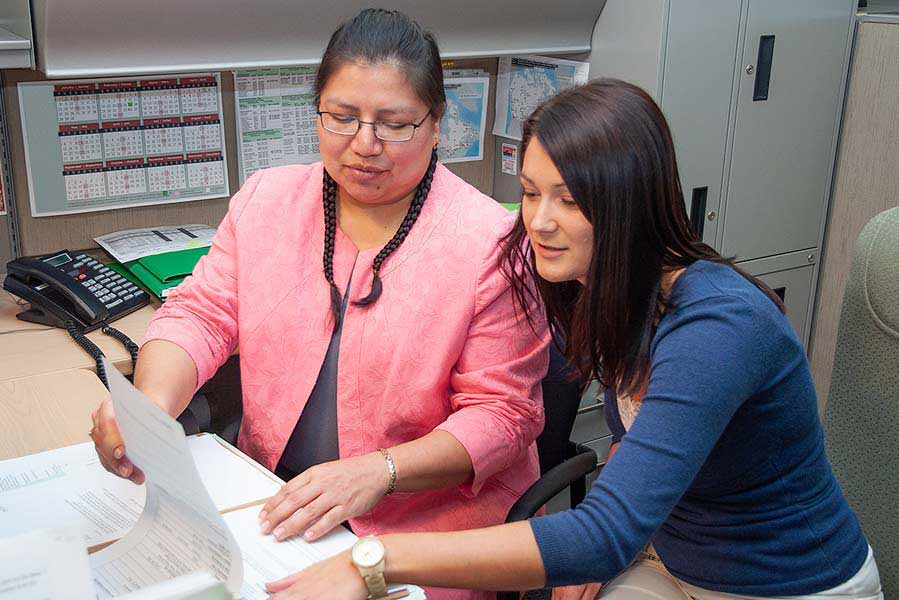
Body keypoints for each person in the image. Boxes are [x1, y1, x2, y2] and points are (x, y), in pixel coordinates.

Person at [268, 79, 883, 600]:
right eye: (532, 193)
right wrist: (617, 543)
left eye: (570, 199)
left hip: (786, 586)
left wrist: (373, 562)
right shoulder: (602, 287)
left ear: (628, 202)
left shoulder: (719, 327)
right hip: (676, 562)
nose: (538, 221)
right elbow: (642, 446)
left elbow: (601, 531)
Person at [89, 9, 548, 600]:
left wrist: (378, 473)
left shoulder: (490, 242)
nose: (364, 145)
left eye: (394, 124)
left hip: (420, 535)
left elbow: (503, 417)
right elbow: (199, 314)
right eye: (342, 117)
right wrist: (150, 407)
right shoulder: (267, 200)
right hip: (272, 504)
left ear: (437, 126)